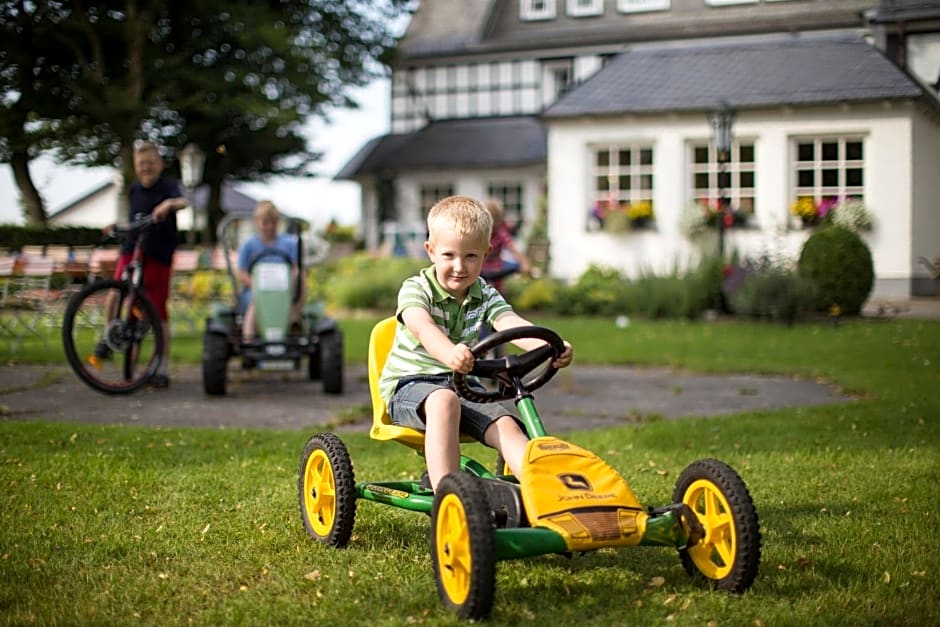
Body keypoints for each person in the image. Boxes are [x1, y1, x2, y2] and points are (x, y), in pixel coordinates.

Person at [379, 195, 573, 491]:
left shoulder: (484, 292)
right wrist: (449, 353)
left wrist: (550, 346)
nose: (460, 266)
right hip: (410, 386)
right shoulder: (416, 289)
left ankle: (545, 491)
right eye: (449, 255)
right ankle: (450, 495)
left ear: (486, 254)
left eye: (471, 256)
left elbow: (510, 323)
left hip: (461, 384)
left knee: (506, 424)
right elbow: (423, 328)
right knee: (444, 401)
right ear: (430, 251)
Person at [95, 141, 188, 389]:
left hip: (158, 254)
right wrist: (116, 225)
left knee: (158, 311)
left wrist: (168, 204)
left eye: (150, 163)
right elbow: (131, 218)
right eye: (141, 164)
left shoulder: (168, 185)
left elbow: (184, 201)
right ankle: (109, 336)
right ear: (136, 167)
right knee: (116, 292)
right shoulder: (134, 190)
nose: (146, 168)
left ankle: (161, 366)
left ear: (160, 164)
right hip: (132, 249)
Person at [236, 200, 302, 341]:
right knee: (256, 301)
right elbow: (241, 273)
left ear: (278, 223)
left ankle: (294, 320)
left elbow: (296, 267)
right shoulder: (249, 245)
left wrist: (293, 281)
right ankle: (248, 337)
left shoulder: (289, 243)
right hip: (256, 290)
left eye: (273, 222)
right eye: (265, 222)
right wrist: (257, 286)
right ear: (257, 222)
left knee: (302, 277)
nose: (269, 227)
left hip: (285, 288)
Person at [482, 198, 531, 295]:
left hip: (493, 269)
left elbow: (512, 248)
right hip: (485, 269)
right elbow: (513, 249)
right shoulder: (483, 234)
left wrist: (524, 264)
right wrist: (524, 263)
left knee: (494, 290)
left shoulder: (499, 233)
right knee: (487, 289)